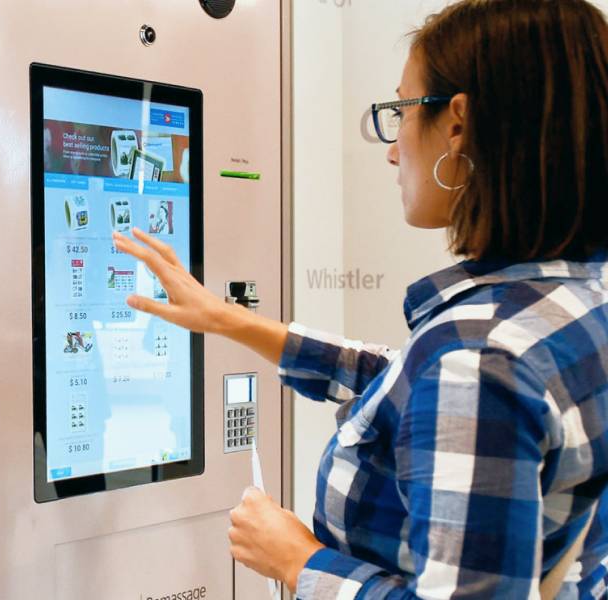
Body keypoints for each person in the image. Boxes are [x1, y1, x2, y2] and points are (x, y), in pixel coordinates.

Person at [115, 0, 608, 597]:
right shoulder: (570, 300)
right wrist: (228, 321)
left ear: (457, 124)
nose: (393, 149)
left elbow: (456, 386)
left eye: (400, 110)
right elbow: (410, 384)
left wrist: (298, 560)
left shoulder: (477, 361)